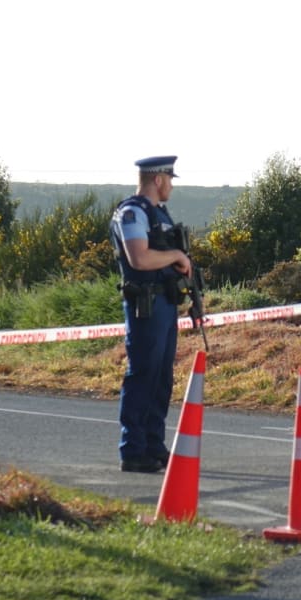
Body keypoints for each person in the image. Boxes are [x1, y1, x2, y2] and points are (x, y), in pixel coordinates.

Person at [109, 156, 192, 473]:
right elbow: (140, 258)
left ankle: (154, 445)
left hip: (165, 304)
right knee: (143, 374)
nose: (171, 184)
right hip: (145, 305)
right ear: (157, 179)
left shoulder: (159, 214)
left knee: (161, 378)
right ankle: (133, 449)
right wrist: (175, 255)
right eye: (169, 179)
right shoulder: (132, 212)